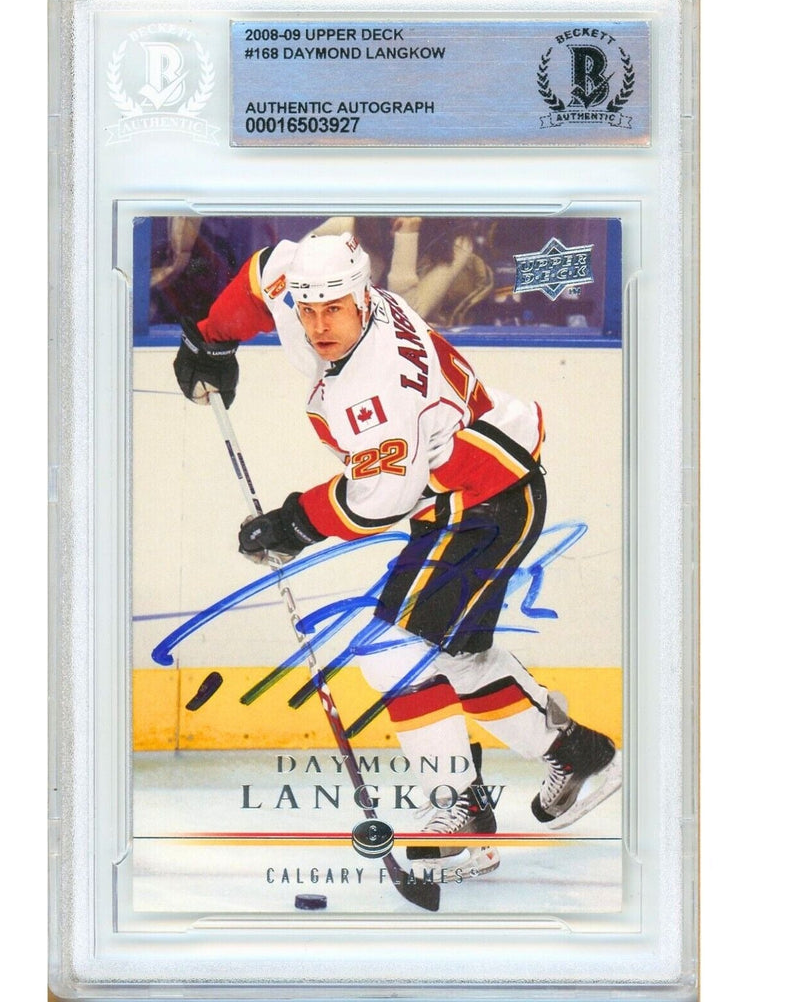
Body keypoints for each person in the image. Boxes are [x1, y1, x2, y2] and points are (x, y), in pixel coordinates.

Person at [173, 232, 621, 881]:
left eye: (334, 310)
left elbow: (379, 502)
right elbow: (265, 271)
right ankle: (579, 755)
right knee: (458, 657)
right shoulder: (309, 283)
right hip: (472, 488)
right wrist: (213, 338)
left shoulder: (378, 389)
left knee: (391, 651)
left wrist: (293, 522)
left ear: (362, 298)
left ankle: (460, 813)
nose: (318, 326)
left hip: (485, 500)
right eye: (307, 309)